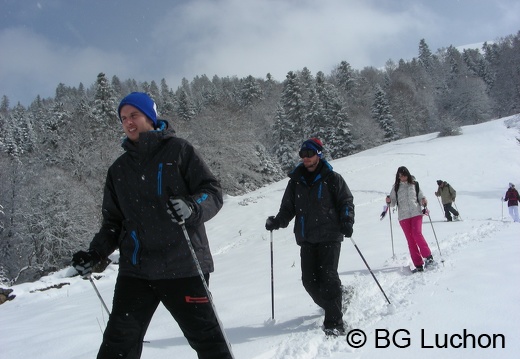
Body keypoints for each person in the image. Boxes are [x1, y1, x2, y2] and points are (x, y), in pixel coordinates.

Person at [71, 92, 233, 359]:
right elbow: (112, 222)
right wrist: (95, 254)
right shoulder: (119, 170)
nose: (128, 122)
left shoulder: (179, 151)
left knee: (209, 342)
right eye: (123, 118)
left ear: (150, 116)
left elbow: (212, 191)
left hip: (183, 266)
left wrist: (193, 207)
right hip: (137, 271)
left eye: (134, 115)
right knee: (117, 345)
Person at [265, 138, 355, 337]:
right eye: (302, 154)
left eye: (309, 154)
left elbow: (346, 202)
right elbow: (288, 209)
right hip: (307, 238)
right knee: (309, 282)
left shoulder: (332, 178)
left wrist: (347, 220)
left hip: (330, 236)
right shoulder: (296, 181)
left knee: (328, 278)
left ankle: (334, 323)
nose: (305, 158)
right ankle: (335, 303)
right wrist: (277, 222)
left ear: (319, 154)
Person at [386, 166, 434, 272]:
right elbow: (393, 203)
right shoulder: (396, 187)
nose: (402, 178)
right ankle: (418, 264)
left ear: (407, 174)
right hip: (403, 216)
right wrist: (389, 201)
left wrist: (423, 200)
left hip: (416, 213)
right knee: (410, 240)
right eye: (400, 176)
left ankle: (428, 257)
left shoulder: (414, 184)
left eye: (404, 175)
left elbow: (421, 196)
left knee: (417, 234)